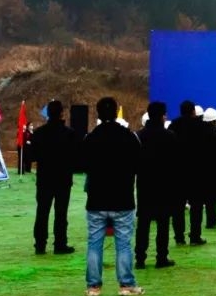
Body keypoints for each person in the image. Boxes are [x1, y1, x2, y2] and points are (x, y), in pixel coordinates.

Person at [83, 97, 144, 296]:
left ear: (98, 113)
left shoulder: (90, 138)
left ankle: (93, 286)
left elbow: (83, 165)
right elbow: (138, 165)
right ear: (116, 112)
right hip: (123, 199)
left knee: (94, 244)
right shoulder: (130, 137)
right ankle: (126, 284)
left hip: (96, 200)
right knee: (124, 244)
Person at [30, 100, 79, 255]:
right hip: (63, 179)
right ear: (61, 113)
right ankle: (60, 244)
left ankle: (40, 245)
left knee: (42, 212)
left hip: (44, 178)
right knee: (61, 213)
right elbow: (75, 157)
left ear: (48, 113)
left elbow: (32, 156)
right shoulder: (69, 133)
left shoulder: (39, 133)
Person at [134, 102, 178, 270]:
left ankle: (140, 258)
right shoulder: (170, 136)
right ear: (161, 116)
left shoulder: (139, 136)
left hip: (145, 184)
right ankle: (161, 257)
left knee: (143, 223)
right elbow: (175, 163)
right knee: (163, 222)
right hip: (164, 185)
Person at [168, 101, 206, 246]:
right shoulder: (201, 126)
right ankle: (195, 236)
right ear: (193, 111)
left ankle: (179, 237)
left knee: (177, 207)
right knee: (196, 207)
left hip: (177, 173)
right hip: (196, 172)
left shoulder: (173, 125)